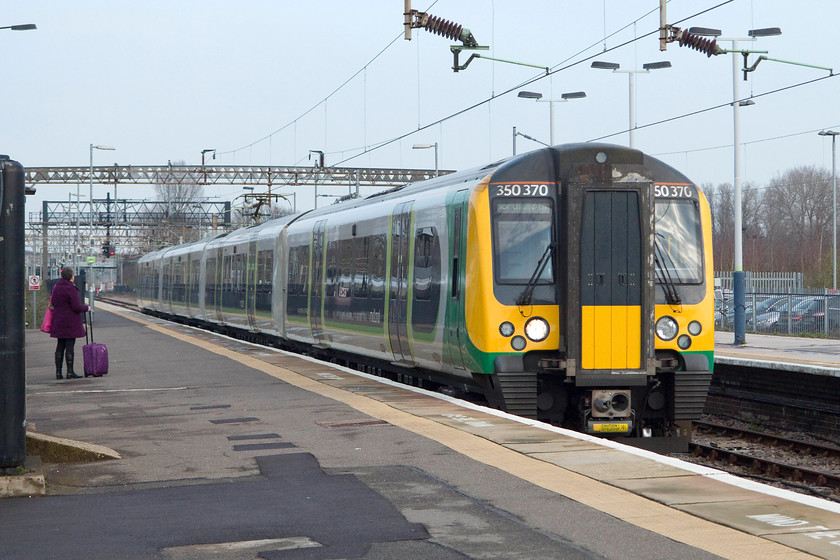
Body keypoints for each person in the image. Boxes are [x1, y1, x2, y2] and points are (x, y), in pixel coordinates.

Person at [50, 267, 89, 380]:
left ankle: (58, 373)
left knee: (60, 346)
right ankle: (70, 372)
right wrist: (87, 308)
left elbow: (52, 302)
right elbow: (76, 307)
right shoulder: (71, 288)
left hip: (58, 321)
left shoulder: (56, 287)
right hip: (70, 322)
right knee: (70, 347)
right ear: (71, 276)